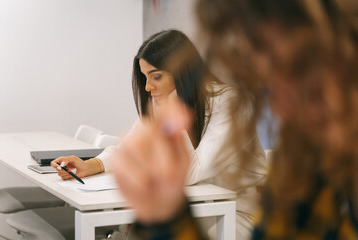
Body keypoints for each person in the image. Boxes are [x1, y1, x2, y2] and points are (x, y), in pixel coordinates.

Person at [112, 0, 358, 239]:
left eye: (299, 69)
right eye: (267, 84)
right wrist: (166, 217)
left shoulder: (226, 101)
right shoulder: (302, 163)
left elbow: (192, 171)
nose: (279, 105)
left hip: (234, 212)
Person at [51, 29, 266, 238]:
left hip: (240, 213)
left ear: (183, 74)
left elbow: (191, 173)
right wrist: (91, 165)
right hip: (200, 207)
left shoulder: (232, 104)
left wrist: (173, 115)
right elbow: (128, 149)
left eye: (156, 77)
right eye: (145, 77)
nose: (147, 87)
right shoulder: (164, 102)